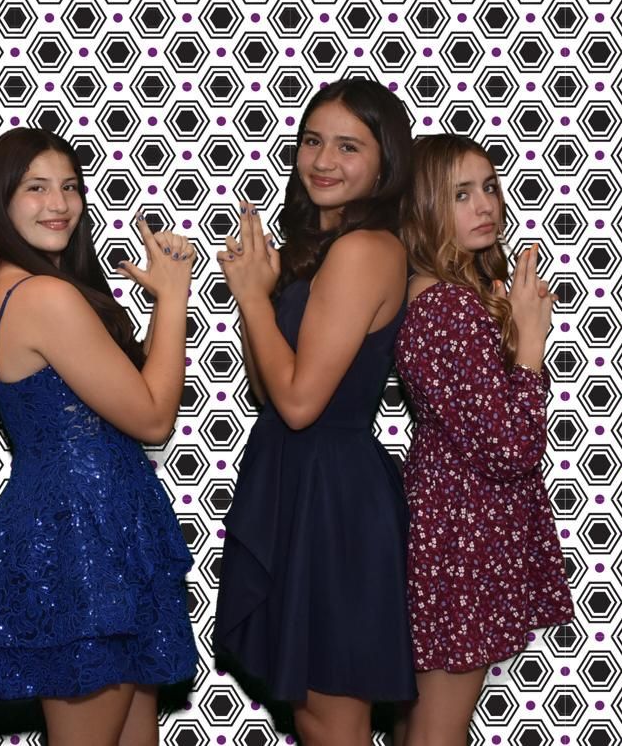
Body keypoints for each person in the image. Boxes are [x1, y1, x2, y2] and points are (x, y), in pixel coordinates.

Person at [0, 127, 198, 746]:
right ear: (0, 202)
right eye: (35, 188)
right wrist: (174, 298)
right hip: (80, 537)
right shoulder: (44, 295)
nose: (58, 204)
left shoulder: (17, 289)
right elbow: (152, 417)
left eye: (69, 186)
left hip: (99, 527)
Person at [213, 78, 417, 744]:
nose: (323, 160)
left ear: (385, 163)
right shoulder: (324, 249)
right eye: (312, 141)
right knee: (313, 716)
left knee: (331, 717)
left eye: (349, 147)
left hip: (334, 498)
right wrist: (263, 294)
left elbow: (299, 404)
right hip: (301, 483)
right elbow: (267, 388)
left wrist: (249, 298)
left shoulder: (364, 250)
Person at [393, 134, 574, 745]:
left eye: (489, 188)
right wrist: (529, 340)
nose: (484, 205)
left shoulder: (442, 296)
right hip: (464, 534)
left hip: (456, 524)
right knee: (440, 729)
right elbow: (512, 449)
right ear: (422, 209)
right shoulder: (449, 306)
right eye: (460, 194)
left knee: (430, 722)